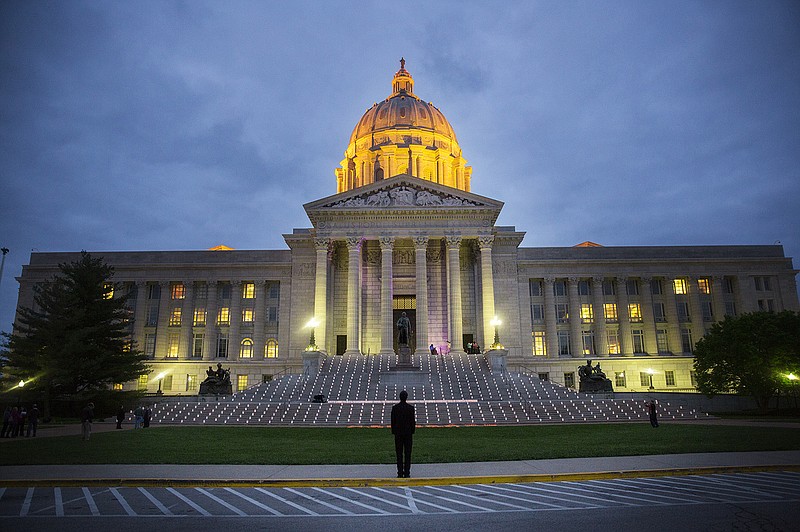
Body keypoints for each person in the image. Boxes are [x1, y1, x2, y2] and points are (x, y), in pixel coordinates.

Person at [391, 390, 416, 478]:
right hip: (408, 433)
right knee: (408, 453)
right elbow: (412, 422)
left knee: (399, 453)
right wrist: (412, 431)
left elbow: (393, 421)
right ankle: (407, 472)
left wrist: (394, 431)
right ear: (406, 397)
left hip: (398, 433)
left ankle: (400, 472)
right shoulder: (410, 408)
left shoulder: (395, 408)